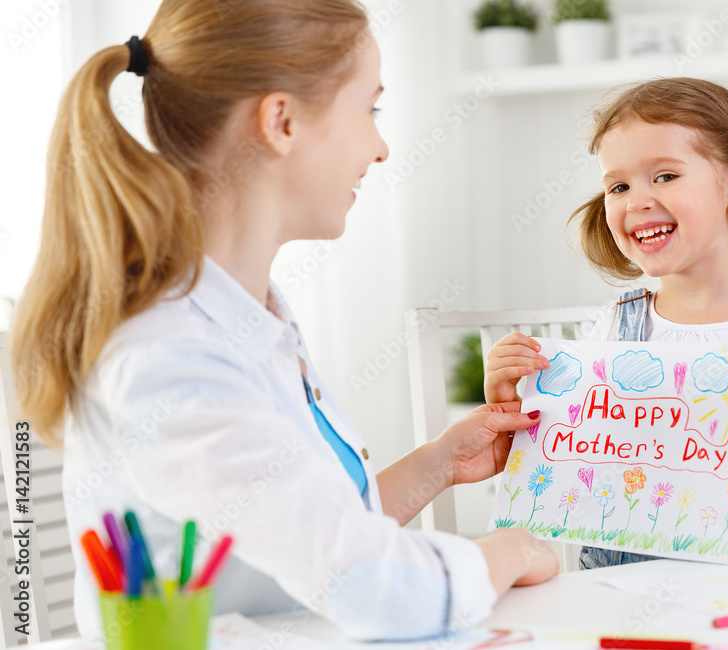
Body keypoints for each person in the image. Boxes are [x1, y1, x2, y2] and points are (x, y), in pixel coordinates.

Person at [10, 0, 557, 641]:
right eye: (369, 109)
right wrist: (513, 549)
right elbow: (389, 592)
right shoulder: (169, 354)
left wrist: (438, 463)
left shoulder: (246, 316)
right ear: (282, 121)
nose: (381, 148)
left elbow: (302, 541)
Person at [485, 78, 728, 569]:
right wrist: (514, 407)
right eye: (618, 186)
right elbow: (568, 465)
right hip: (616, 599)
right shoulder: (612, 328)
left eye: (664, 176)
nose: (636, 200)